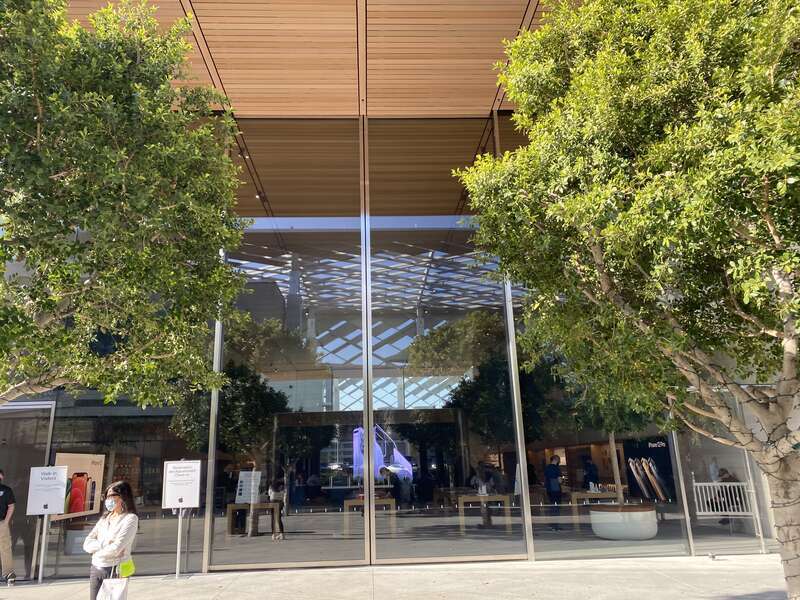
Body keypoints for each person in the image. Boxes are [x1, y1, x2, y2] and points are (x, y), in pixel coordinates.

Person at [83, 481, 139, 600]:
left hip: (116, 569)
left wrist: (97, 550)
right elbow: (87, 542)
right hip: (96, 567)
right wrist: (104, 545)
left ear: (123, 497)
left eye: (112, 496)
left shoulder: (130, 519)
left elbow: (116, 548)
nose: (108, 499)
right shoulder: (105, 518)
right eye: (106, 496)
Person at [0, 469, 16, 586]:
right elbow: (11, 506)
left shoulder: (6, 490)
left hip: (2, 523)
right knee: (5, 548)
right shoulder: (6, 490)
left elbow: (11, 506)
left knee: (5, 548)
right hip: (2, 523)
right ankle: (8, 573)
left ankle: (8, 573)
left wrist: (5, 522)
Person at [544, 455, 563, 531]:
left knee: (552, 506)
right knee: (557, 507)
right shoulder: (556, 468)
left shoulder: (547, 468)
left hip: (549, 489)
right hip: (556, 489)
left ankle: (551, 524)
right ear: (557, 460)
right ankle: (555, 525)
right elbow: (560, 480)